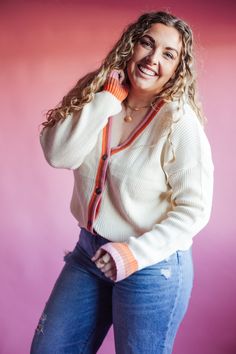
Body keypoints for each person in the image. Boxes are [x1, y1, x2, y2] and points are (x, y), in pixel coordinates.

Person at [31, 11, 214, 354]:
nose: (152, 59)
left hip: (151, 265)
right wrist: (106, 100)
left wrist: (134, 253)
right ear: (131, 45)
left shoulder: (179, 122)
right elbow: (59, 155)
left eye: (168, 54)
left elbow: (195, 210)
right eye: (147, 43)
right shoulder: (99, 94)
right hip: (90, 253)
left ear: (178, 69)